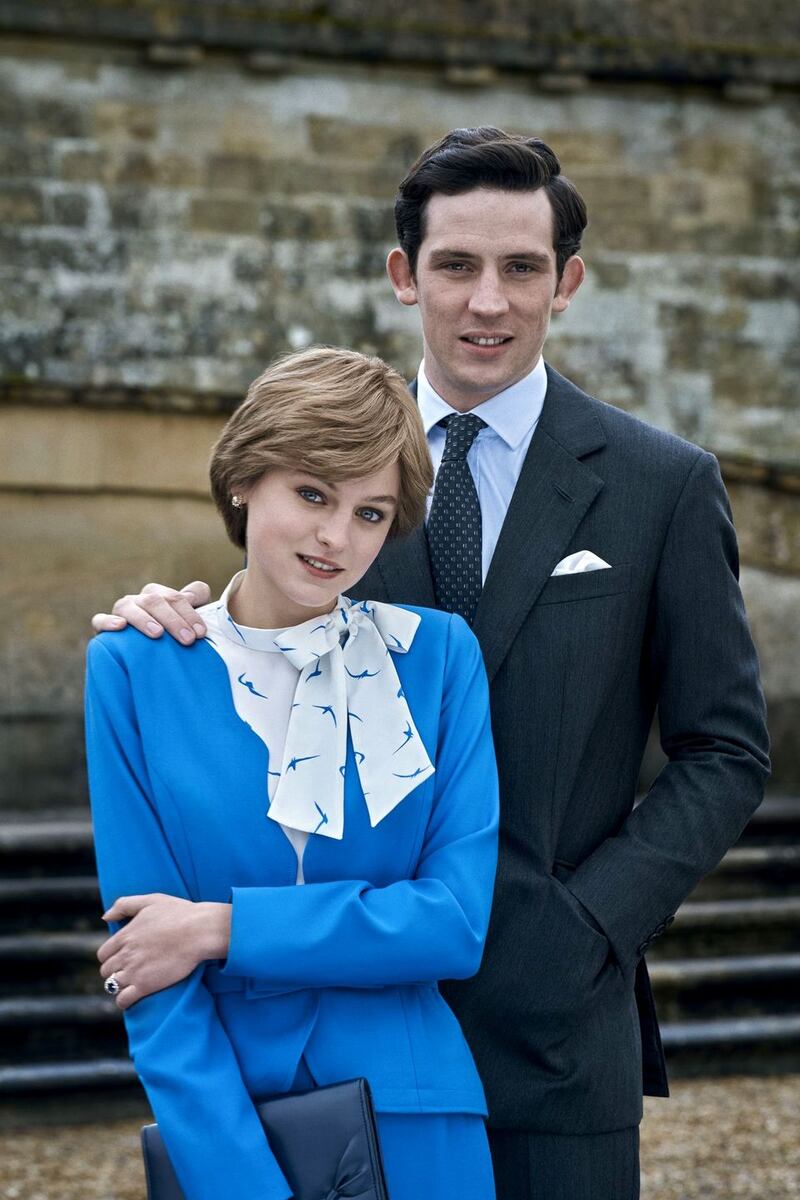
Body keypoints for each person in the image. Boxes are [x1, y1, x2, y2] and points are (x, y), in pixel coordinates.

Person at [93, 129, 770, 1199]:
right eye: (456, 264)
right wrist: (178, 616)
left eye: (521, 268)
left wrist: (587, 927)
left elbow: (724, 750)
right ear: (404, 274)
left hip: (556, 1031)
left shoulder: (663, 485)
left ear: (567, 283)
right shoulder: (330, 466)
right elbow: (280, 618)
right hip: (327, 1033)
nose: (486, 301)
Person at [85, 346, 500, 1200]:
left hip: (421, 1125)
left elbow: (453, 924)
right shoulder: (132, 667)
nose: (337, 538)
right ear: (244, 479)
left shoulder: (440, 658)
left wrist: (223, 929)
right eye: (313, 494)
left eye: (370, 513)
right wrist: (238, 1182)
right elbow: (144, 961)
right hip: (228, 1127)